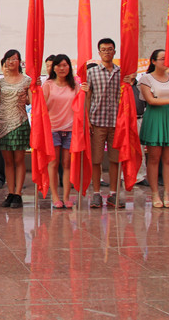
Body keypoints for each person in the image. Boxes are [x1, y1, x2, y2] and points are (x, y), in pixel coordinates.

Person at [85, 38, 127, 208]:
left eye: (110, 49)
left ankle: (113, 193)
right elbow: (88, 97)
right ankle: (96, 193)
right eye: (103, 50)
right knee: (96, 160)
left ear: (114, 52)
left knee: (115, 160)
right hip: (97, 121)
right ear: (99, 52)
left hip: (117, 124)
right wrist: (87, 119)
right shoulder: (92, 73)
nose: (107, 52)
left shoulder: (121, 73)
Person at [138, 49, 169, 208]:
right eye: (162, 59)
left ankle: (167, 193)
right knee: (154, 158)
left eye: (167, 58)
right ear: (153, 61)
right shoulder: (146, 78)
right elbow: (151, 100)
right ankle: (155, 193)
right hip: (155, 118)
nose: (165, 61)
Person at [43, 54, 83, 209]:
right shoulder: (48, 85)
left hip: (71, 129)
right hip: (52, 128)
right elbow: (41, 107)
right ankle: (55, 196)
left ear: (69, 67)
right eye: (59, 65)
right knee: (53, 163)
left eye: (65, 65)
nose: (62, 68)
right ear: (53, 68)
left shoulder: (75, 86)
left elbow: (81, 107)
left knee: (67, 164)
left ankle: (66, 197)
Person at [0, 49, 31, 208]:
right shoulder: (0, 83)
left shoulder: (27, 80)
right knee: (8, 161)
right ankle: (10, 192)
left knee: (19, 160)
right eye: (8, 59)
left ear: (20, 62)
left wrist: (33, 91)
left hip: (19, 122)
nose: (11, 62)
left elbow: (31, 101)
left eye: (14, 59)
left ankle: (18, 193)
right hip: (2, 124)